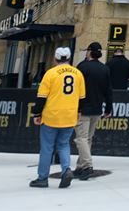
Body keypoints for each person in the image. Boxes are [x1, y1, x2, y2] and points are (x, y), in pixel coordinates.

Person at [29, 47, 85, 189]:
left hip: (51, 115)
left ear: (55, 58)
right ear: (69, 58)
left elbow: (41, 97)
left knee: (47, 147)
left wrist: (37, 113)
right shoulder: (78, 74)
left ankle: (43, 178)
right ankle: (66, 169)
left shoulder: (51, 73)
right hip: (70, 115)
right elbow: (82, 97)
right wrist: (79, 112)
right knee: (64, 144)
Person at [73, 42, 113, 179]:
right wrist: (108, 108)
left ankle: (87, 165)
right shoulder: (105, 69)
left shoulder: (82, 67)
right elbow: (108, 90)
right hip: (97, 107)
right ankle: (80, 165)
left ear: (89, 52)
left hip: (82, 108)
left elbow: (76, 88)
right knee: (88, 138)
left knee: (81, 138)